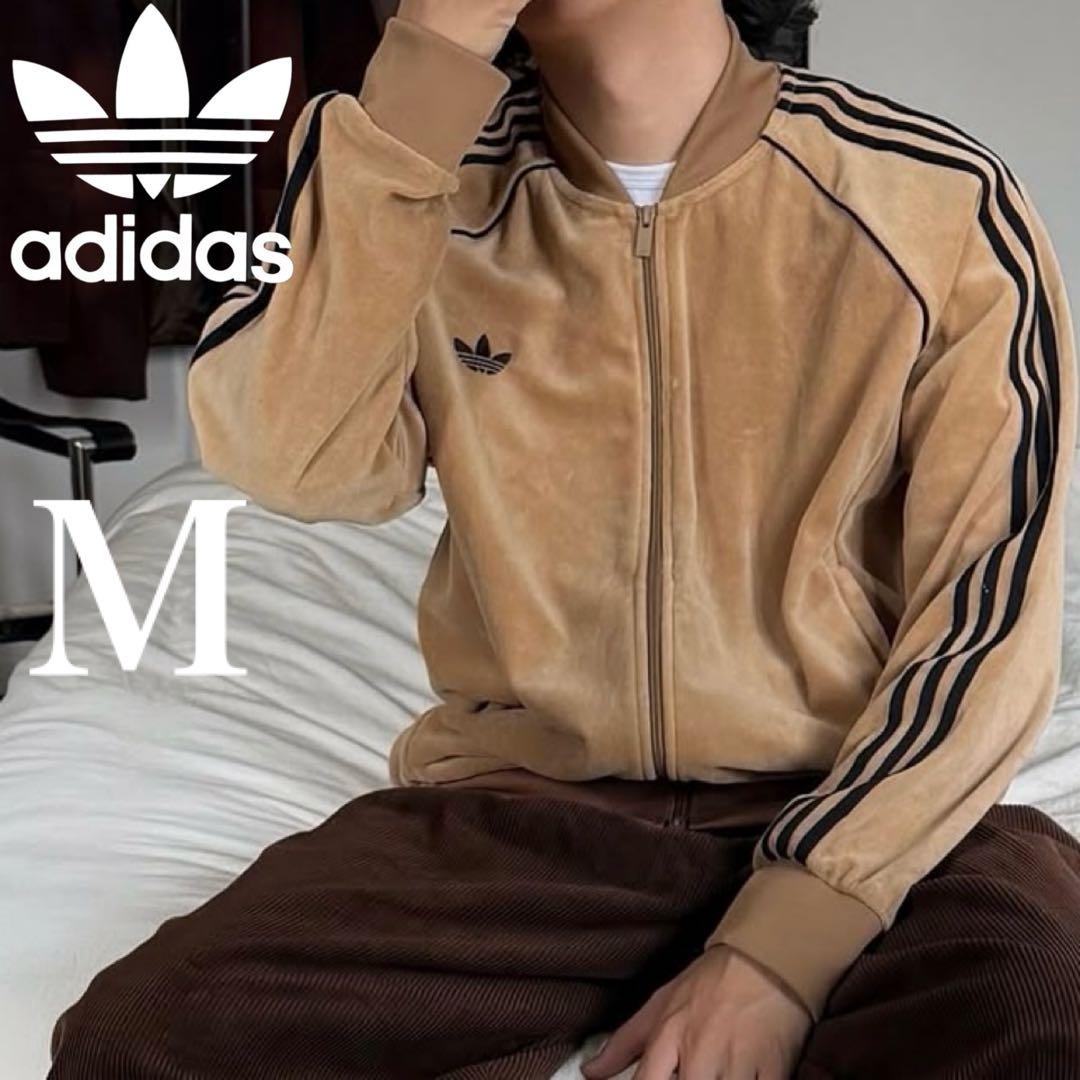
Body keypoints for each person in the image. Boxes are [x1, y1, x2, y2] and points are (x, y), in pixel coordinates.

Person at [50, 0, 1080, 1077]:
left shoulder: (932, 199)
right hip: (522, 817)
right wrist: (418, 92)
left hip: (864, 811)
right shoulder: (408, 183)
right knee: (141, 1040)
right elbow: (292, 458)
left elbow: (989, 614)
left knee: (1042, 1031)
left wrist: (783, 946)